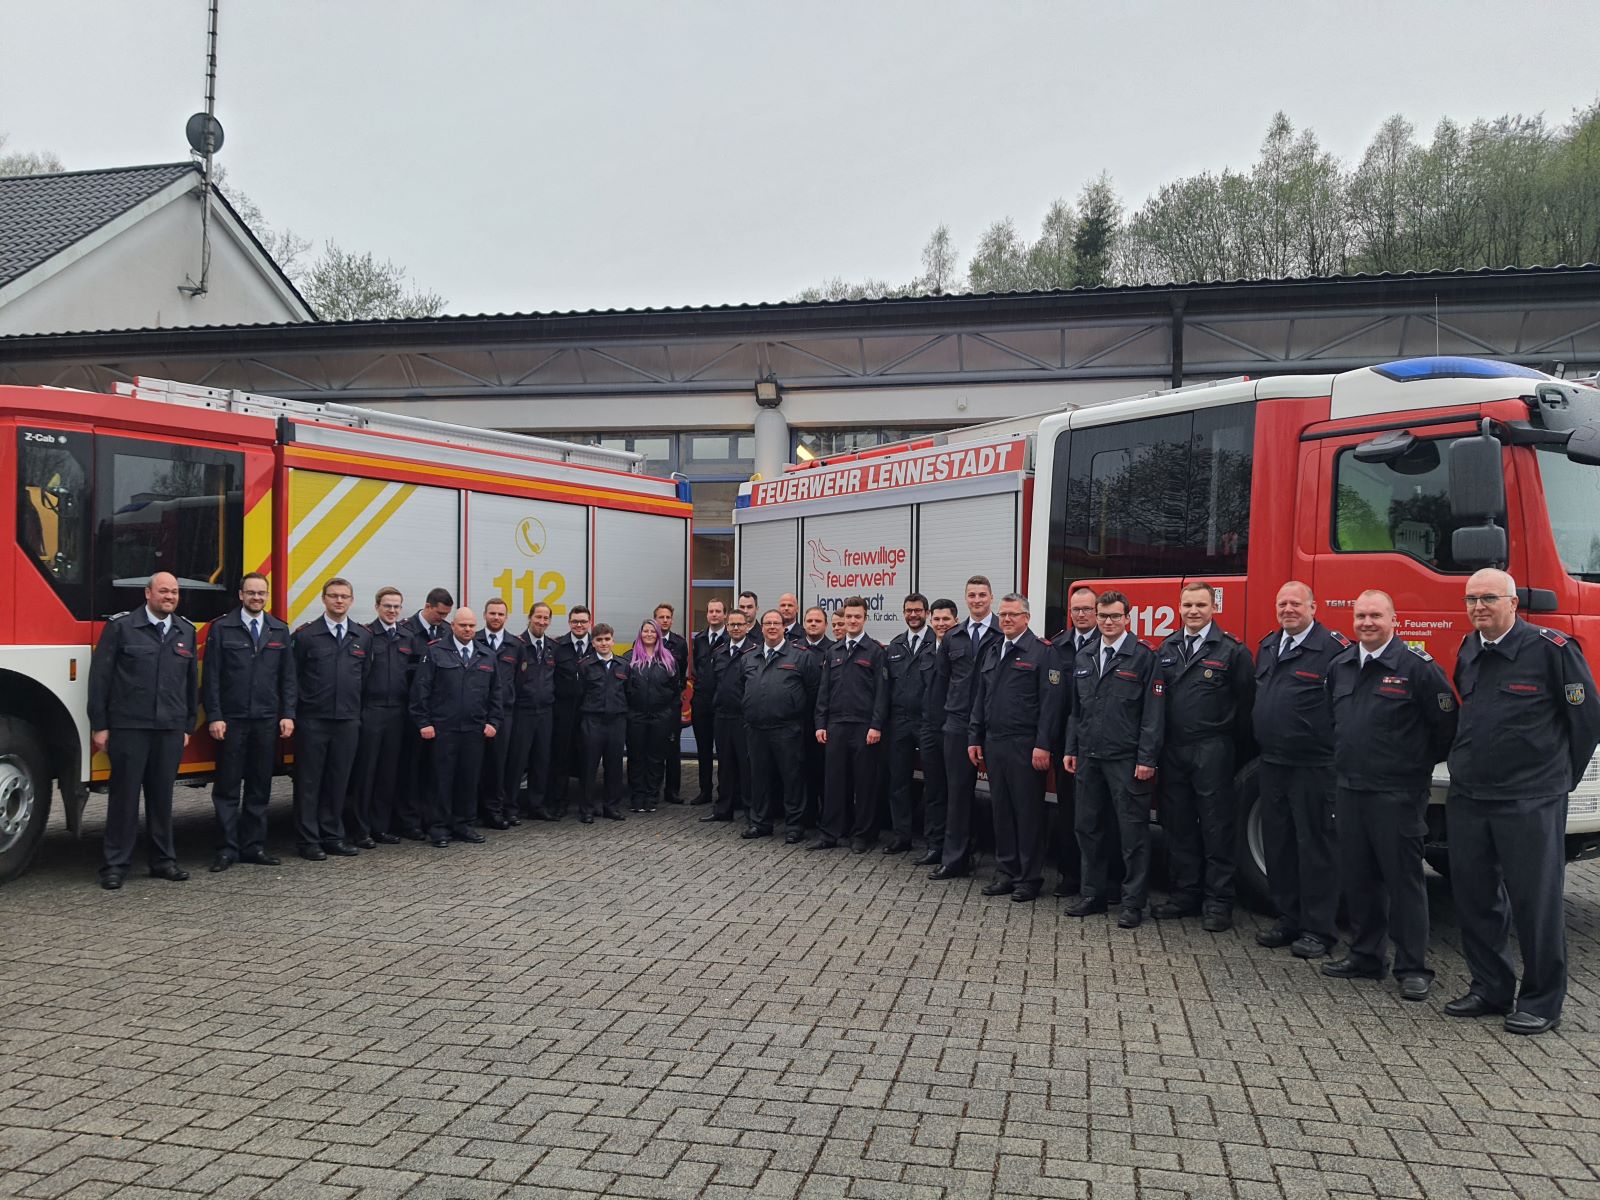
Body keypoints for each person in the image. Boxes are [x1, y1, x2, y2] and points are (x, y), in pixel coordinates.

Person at [1443, 568, 1600, 1035]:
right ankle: (1489, 988)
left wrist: (1556, 780)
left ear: (1513, 603)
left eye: (1489, 598)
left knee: (1537, 903)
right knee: (1475, 897)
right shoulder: (1470, 649)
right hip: (1471, 796)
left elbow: (1586, 721)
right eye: (1471, 599)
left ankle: (1541, 1001)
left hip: (1530, 799)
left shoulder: (1552, 650)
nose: (1478, 607)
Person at [1324, 589, 1457, 1001]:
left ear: (1394, 620)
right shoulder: (1341, 665)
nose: (1367, 622)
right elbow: (1335, 718)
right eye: (1361, 615)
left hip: (1397, 792)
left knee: (1404, 881)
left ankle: (1414, 966)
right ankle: (1366, 955)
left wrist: (1411, 766)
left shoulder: (1417, 667)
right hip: (1350, 788)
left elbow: (1445, 726)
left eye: (1375, 615)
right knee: (1358, 877)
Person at [1252, 581, 1349, 958]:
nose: (1288, 609)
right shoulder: (1268, 646)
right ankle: (1287, 919)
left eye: (1296, 603)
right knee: (1279, 847)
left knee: (1317, 848)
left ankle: (1319, 930)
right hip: (1273, 762)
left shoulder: (1334, 651)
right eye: (1282, 603)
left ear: (1314, 607)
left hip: (1314, 766)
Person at [1153, 581, 1255, 931]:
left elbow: (1246, 706)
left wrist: (1227, 746)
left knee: (1216, 826)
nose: (1193, 611)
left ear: (1214, 608)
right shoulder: (1166, 648)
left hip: (1213, 748)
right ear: (1178, 608)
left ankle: (1218, 902)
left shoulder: (1232, 651)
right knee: (1177, 825)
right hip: (1173, 749)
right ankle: (1185, 895)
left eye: (1200, 605)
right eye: (1187, 605)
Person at [89, 572, 199, 889]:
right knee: (123, 799)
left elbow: (191, 683)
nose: (170, 596)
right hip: (129, 727)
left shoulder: (185, 631)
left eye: (175, 592)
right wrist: (100, 725)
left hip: (169, 728)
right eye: (164, 591)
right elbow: (100, 679)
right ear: (148, 593)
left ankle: (163, 861)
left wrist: (187, 724)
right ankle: (115, 865)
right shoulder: (122, 627)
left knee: (162, 798)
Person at [1062, 589, 1165, 928]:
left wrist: (1146, 758)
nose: (1108, 622)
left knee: (1132, 832)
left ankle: (1133, 903)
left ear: (1127, 618)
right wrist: (1071, 749)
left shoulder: (1143, 656)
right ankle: (1093, 895)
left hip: (1126, 758)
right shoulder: (1085, 655)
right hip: (1089, 756)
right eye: (1103, 616)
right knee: (1087, 827)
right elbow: (1076, 711)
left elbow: (1153, 713)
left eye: (1114, 616)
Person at [968, 593, 1061, 902]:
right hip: (994, 743)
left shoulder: (1042, 652)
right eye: (1003, 614)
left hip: (1025, 745)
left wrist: (1043, 745)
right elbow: (980, 698)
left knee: (1028, 813)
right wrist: (974, 737)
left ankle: (1029, 878)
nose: (1006, 619)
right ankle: (1006, 871)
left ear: (1027, 618)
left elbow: (1051, 704)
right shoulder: (993, 650)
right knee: (1001, 811)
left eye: (1013, 614)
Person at [202, 572, 295, 872]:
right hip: (232, 720)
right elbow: (211, 677)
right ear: (240, 595)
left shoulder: (279, 630)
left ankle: (254, 846)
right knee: (228, 788)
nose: (257, 598)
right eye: (251, 593)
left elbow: (288, 679)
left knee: (259, 786)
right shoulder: (222, 628)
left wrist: (288, 714)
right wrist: (214, 715)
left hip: (266, 721)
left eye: (262, 593)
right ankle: (227, 848)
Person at [290, 577, 369, 861]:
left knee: (338, 782)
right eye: (333, 596)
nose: (339, 601)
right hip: (313, 720)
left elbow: (365, 678)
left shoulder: (362, 637)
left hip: (347, 720)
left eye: (344, 596)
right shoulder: (306, 635)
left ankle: (333, 835)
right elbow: (293, 678)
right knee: (309, 783)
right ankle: (308, 840)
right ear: (323, 599)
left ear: (351, 600)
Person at [411, 607, 503, 847]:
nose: (468, 630)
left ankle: (463, 824)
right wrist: (424, 722)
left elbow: (496, 693)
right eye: (463, 625)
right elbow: (421, 691)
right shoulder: (435, 652)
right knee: (441, 779)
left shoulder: (486, 655)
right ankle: (439, 828)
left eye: (472, 626)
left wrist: (493, 722)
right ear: (453, 625)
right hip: (443, 729)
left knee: (468, 779)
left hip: (474, 730)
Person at [931, 576, 1001, 879]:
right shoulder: (953, 637)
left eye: (982, 595)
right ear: (966, 599)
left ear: (991, 597)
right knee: (957, 793)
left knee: (1002, 796)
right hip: (958, 722)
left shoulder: (1003, 632)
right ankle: (956, 858)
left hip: (995, 722)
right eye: (971, 595)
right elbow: (942, 682)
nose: (977, 600)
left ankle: (1008, 866)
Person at [812, 596, 889, 852]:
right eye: (848, 617)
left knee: (864, 784)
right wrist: (820, 723)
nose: (852, 621)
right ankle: (831, 833)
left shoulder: (875, 651)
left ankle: (863, 835)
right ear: (843, 620)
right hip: (836, 726)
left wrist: (876, 725)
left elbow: (882, 693)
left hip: (864, 727)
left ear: (865, 618)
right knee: (833, 782)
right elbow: (824, 691)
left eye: (857, 616)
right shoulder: (833, 652)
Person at [741, 609, 821, 841]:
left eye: (776, 623)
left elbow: (813, 691)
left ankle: (795, 825)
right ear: (761, 628)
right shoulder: (749, 657)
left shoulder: (800, 656)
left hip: (788, 729)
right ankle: (760, 823)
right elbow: (742, 688)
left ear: (784, 628)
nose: (772, 627)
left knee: (792, 777)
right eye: (767, 623)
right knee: (759, 778)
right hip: (756, 729)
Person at [348, 586, 416, 849]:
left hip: (397, 713)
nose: (392, 611)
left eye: (397, 607)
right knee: (366, 773)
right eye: (387, 606)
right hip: (372, 710)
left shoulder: (406, 637)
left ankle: (381, 827)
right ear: (377, 607)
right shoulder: (366, 636)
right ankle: (361, 829)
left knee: (389, 774)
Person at [1049, 586, 1105, 897]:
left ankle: (1101, 880)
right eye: (1076, 610)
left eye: (1086, 609)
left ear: (1097, 611)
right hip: (1066, 745)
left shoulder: (1108, 644)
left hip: (1100, 742)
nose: (1081, 614)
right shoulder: (1058, 646)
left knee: (1100, 814)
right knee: (1068, 811)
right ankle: (1070, 876)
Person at [393, 587, 452, 839]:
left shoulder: (447, 631)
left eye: (447, 614)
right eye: (440, 613)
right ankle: (409, 821)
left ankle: (431, 818)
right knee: (411, 770)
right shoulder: (405, 631)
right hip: (411, 713)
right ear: (427, 607)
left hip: (438, 715)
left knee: (433, 770)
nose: (443, 618)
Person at [882, 593, 931, 855]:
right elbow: (886, 687)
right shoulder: (895, 645)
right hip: (899, 721)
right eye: (909, 611)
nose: (913, 615)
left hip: (926, 721)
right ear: (904, 613)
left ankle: (934, 841)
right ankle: (902, 836)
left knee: (934, 782)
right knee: (898, 780)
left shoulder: (936, 643)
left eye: (918, 610)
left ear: (927, 613)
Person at [914, 599, 958, 867]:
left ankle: (955, 849)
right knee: (934, 790)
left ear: (955, 621)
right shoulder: (927, 651)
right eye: (937, 620)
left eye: (946, 620)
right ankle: (934, 845)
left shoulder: (962, 648)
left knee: (956, 792)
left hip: (953, 728)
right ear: (931, 620)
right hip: (929, 728)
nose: (941, 624)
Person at [474, 597, 523, 829]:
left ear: (506, 617)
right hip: (476, 713)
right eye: (492, 613)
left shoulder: (515, 645)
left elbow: (519, 680)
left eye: (500, 614)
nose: (496, 617)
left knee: (499, 764)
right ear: (485, 615)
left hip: (504, 714)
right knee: (474, 764)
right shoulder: (474, 640)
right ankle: (473, 810)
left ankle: (495, 810)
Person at [507, 602, 558, 820]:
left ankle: (537, 805)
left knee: (541, 759)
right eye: (538, 617)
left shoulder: (552, 647)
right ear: (530, 617)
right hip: (523, 711)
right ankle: (510, 807)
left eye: (546, 618)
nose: (542, 622)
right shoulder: (518, 645)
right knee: (517, 761)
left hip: (545, 712)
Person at [704, 611, 755, 823]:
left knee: (747, 766)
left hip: (744, 718)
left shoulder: (754, 652)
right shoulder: (719, 652)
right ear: (727, 626)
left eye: (739, 624)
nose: (735, 628)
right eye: (732, 624)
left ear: (747, 627)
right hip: (722, 716)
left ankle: (752, 813)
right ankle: (723, 810)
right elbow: (711, 683)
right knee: (724, 765)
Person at [625, 618, 679, 813]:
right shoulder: (629, 659)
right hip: (636, 717)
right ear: (640, 634)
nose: (649, 634)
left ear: (658, 635)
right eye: (645, 631)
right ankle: (637, 796)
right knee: (636, 757)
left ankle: (651, 797)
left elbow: (675, 689)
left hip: (660, 717)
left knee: (656, 759)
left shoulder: (668, 660)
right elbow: (624, 689)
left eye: (652, 631)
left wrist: (669, 714)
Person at [578, 622, 630, 822]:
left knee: (614, 766)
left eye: (607, 639)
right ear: (593, 642)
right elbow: (580, 693)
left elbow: (629, 692)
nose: (603, 643)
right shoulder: (585, 665)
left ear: (613, 641)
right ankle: (587, 809)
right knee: (589, 767)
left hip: (617, 721)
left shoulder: (623, 665)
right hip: (593, 721)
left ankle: (611, 807)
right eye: (599, 640)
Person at [548, 605, 594, 819]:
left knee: (588, 759)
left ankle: (586, 806)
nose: (579, 625)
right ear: (569, 623)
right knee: (561, 759)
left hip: (589, 713)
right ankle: (559, 803)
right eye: (575, 621)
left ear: (589, 623)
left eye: (583, 621)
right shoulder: (558, 646)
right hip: (564, 712)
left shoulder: (596, 646)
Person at [689, 599, 728, 806]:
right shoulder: (700, 639)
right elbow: (697, 667)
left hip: (721, 702)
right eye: (710, 611)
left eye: (718, 611)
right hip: (702, 702)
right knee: (703, 751)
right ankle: (705, 791)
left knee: (723, 751)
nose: (714, 614)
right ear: (707, 614)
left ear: (724, 615)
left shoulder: (730, 639)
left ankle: (724, 792)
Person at [799, 606, 833, 827]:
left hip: (824, 722)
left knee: (824, 772)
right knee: (802, 771)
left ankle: (825, 817)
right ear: (803, 623)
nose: (813, 624)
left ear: (825, 625)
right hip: (798, 721)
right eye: (809, 620)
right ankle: (806, 815)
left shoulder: (833, 650)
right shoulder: (794, 649)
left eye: (817, 621)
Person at [654, 603, 690, 804]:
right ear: (655, 620)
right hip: (653, 706)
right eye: (661, 617)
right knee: (654, 748)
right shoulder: (645, 640)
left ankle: (672, 791)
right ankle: (654, 788)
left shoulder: (679, 643)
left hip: (672, 704)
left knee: (673, 748)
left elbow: (682, 671)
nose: (665, 620)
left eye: (668, 617)